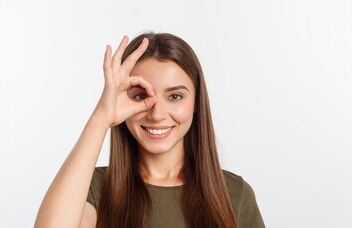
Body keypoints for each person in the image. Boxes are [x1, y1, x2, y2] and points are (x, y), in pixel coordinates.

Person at [34, 32, 265, 228]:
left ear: (196, 103)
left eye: (175, 96)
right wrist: (101, 118)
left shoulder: (235, 194)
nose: (156, 114)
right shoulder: (93, 189)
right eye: (141, 96)